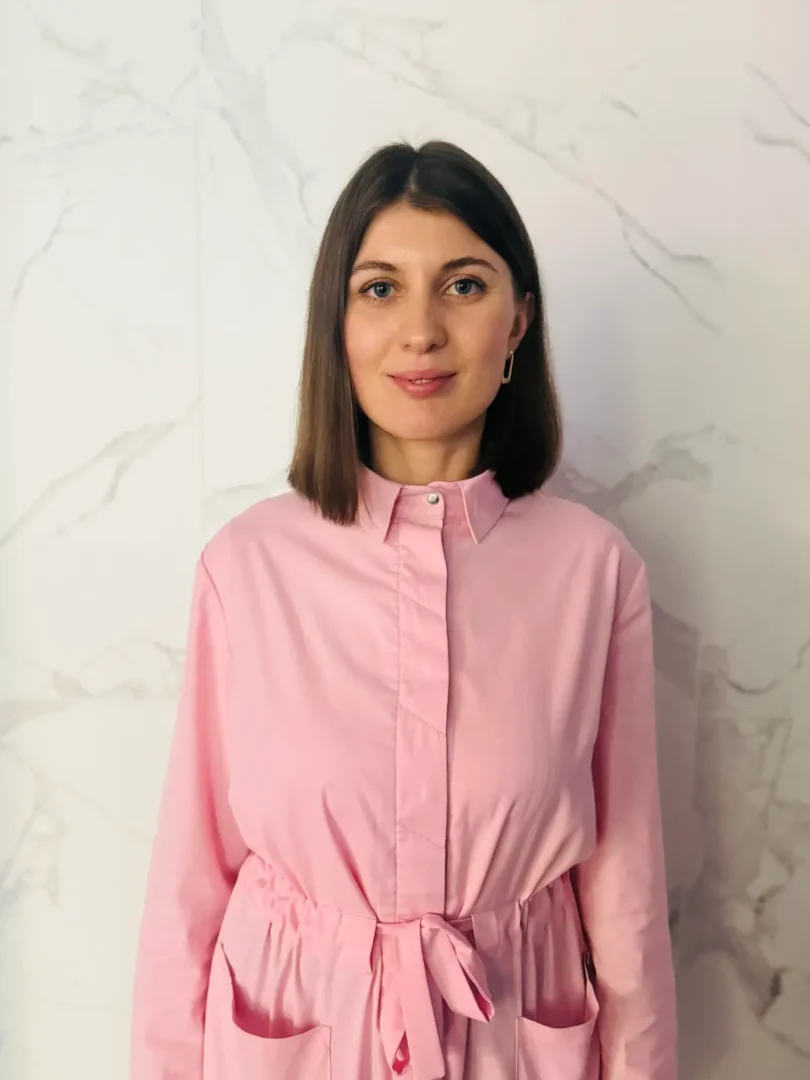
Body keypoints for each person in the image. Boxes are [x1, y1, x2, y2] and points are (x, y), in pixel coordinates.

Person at [130, 140, 677, 1080]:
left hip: (515, 1043)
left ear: (518, 322)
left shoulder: (594, 572)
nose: (421, 331)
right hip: (294, 1034)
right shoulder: (246, 568)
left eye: (463, 286)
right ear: (336, 324)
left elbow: (626, 885)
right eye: (380, 289)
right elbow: (191, 877)